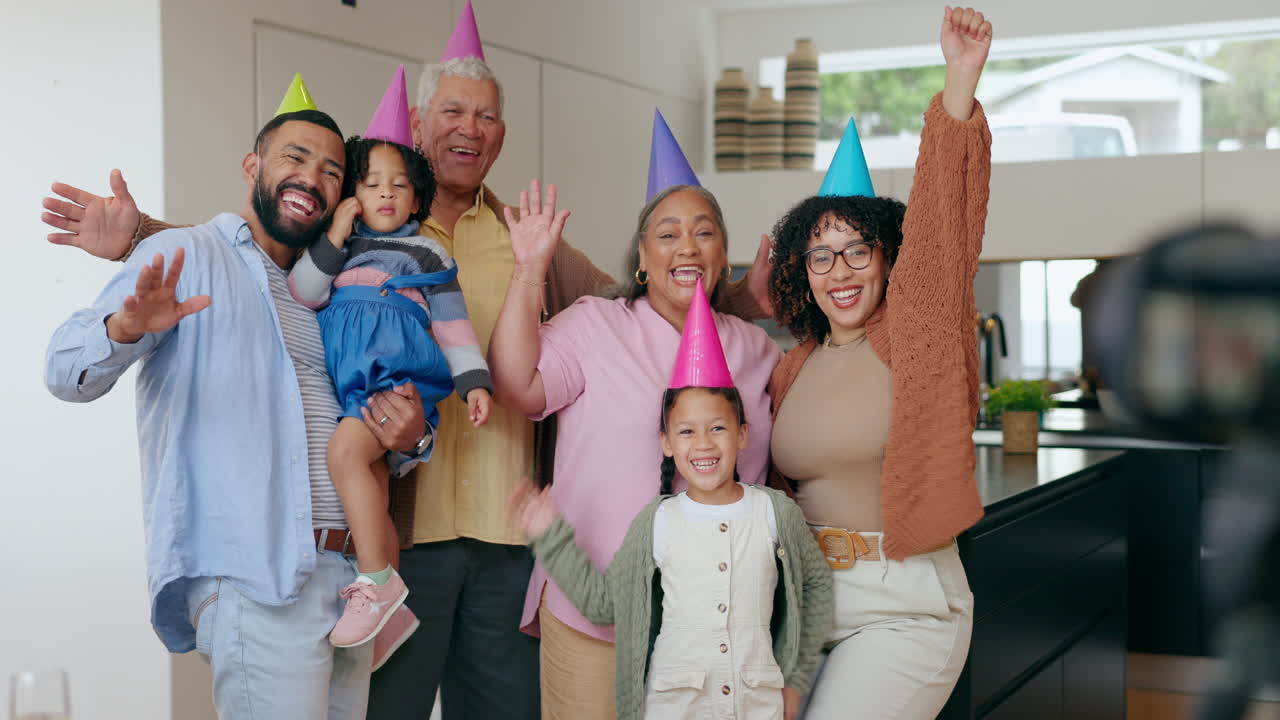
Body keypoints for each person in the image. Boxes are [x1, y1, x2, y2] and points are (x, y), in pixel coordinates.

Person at [39, 6, 771, 716]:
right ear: (419, 127)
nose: (468, 128)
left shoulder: (530, 240)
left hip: (504, 538)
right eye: (452, 112)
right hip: (396, 537)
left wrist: (743, 293)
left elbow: (649, 303)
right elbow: (258, 256)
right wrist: (145, 235)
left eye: (485, 117)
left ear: (501, 137)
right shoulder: (359, 227)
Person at [44, 101, 432, 718]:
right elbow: (65, 371)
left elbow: (351, 426)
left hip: (352, 582)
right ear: (253, 166)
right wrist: (124, 326)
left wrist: (410, 441)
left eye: (333, 171)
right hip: (259, 580)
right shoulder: (190, 255)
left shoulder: (332, 290)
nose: (313, 178)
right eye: (295, 158)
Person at [487, 110, 782, 719]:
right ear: (643, 258)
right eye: (668, 233)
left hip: (714, 625)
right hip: (592, 606)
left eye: (704, 232)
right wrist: (529, 272)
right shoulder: (595, 324)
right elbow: (518, 386)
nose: (687, 246)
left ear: (722, 254)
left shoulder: (756, 351)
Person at [765, 6, 994, 718]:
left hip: (905, 606)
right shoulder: (792, 367)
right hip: (803, 610)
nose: (840, 268)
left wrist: (958, 82)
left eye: (859, 249)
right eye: (821, 254)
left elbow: (941, 223)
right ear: (802, 271)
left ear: (889, 260)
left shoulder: (917, 338)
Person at [508, 278, 832, 720]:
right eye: (686, 431)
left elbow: (814, 587)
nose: (703, 444)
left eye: (717, 428)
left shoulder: (775, 513)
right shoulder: (655, 524)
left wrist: (796, 682)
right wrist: (551, 537)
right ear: (666, 443)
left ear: (742, 434)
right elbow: (604, 603)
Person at [286, 67, 493, 651]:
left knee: (344, 454)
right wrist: (336, 231)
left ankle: (374, 583)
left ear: (416, 197)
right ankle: (390, 613)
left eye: (398, 185)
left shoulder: (422, 250)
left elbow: (452, 324)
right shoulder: (335, 249)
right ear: (352, 192)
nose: (384, 193)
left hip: (397, 378)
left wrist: (473, 382)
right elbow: (305, 290)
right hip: (352, 384)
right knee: (371, 487)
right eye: (370, 183)